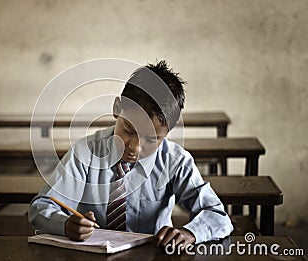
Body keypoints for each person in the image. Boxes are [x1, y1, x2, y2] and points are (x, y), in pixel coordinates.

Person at [28, 60, 233, 250]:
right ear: (117, 108)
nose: (134, 148)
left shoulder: (175, 161)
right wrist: (64, 224)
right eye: (128, 130)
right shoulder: (85, 153)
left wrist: (191, 233)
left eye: (151, 140)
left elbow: (217, 214)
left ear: (168, 131)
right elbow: (41, 207)